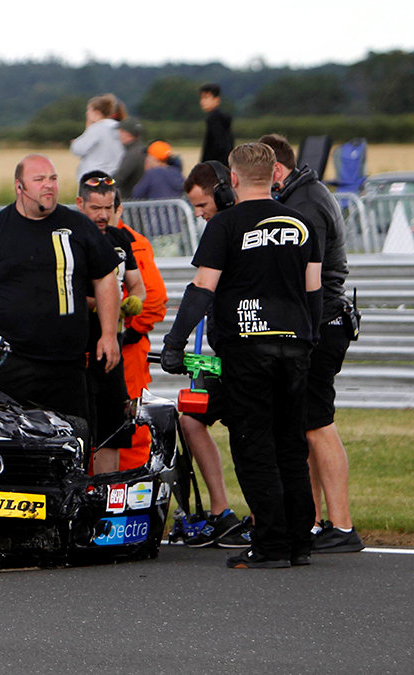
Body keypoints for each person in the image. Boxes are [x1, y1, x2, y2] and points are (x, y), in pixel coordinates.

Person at [162, 142, 322, 569]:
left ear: (232, 179)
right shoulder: (303, 224)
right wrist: (308, 340)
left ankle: (270, 545)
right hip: (295, 344)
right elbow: (314, 292)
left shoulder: (226, 225)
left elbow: (202, 289)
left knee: (254, 446)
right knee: (291, 445)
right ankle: (298, 543)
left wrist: (174, 344)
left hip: (248, 346)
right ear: (274, 175)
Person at [0, 154, 122, 438]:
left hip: (68, 363)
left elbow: (106, 279)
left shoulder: (78, 226)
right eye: (39, 180)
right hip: (12, 360)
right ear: (20, 187)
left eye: (53, 179)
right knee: (5, 442)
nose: (49, 186)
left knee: (74, 443)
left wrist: (108, 334)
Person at [258, 133, 363, 554]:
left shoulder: (304, 204)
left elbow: (309, 275)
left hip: (322, 323)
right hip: (320, 321)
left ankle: (341, 524)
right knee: (305, 425)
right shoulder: (305, 193)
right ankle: (316, 521)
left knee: (318, 424)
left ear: (276, 171)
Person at [176, 160, 252, 548]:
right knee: (190, 418)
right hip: (219, 353)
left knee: (253, 433)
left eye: (202, 204)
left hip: (249, 354)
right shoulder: (216, 230)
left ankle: (264, 517)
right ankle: (221, 512)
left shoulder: (241, 225)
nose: (199, 213)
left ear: (223, 191)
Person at [76, 172, 145, 473]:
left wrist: (135, 301)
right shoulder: (71, 239)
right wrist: (104, 305)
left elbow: (137, 285)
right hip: (80, 345)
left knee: (113, 427)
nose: (103, 215)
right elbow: (65, 293)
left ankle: (109, 498)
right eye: (95, 208)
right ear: (80, 204)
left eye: (108, 207)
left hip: (113, 348)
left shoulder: (120, 240)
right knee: (79, 426)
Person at [112, 189, 168, 472]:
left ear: (119, 210)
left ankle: (131, 491)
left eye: (107, 207)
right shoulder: (77, 235)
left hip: (128, 351)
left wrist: (129, 331)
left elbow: (155, 298)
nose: (101, 215)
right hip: (91, 349)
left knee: (129, 424)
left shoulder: (134, 242)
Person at [69, 94, 124, 181]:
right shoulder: (119, 127)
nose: (87, 113)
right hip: (113, 177)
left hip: (93, 178)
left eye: (89, 110)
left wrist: (88, 127)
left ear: (97, 112)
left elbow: (78, 149)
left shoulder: (96, 128)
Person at [199, 83, 234, 165]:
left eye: (206, 98)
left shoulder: (214, 118)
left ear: (217, 99)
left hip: (215, 166)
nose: (202, 101)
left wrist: (205, 166)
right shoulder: (221, 118)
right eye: (201, 98)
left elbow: (217, 146)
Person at [113, 117, 147, 198]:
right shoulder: (143, 150)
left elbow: (119, 177)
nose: (119, 135)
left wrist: (102, 185)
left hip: (133, 202)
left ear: (127, 133)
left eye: (121, 131)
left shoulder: (133, 154)